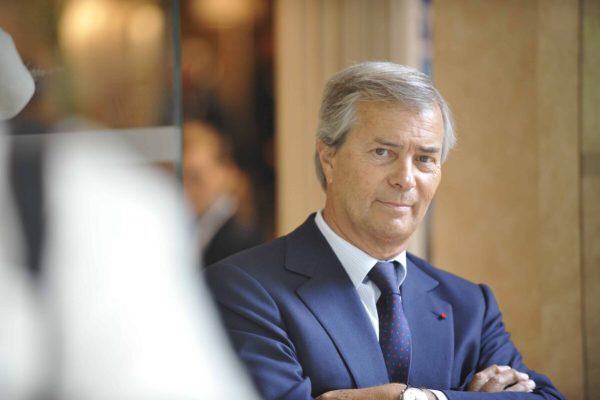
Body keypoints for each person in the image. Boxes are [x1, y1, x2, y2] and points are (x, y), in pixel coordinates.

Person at [205, 62, 564, 400]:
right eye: (382, 152)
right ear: (328, 156)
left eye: (425, 159)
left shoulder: (470, 305)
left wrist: (419, 398)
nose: (405, 178)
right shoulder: (241, 290)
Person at [183, 120, 264, 267]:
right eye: (180, 177)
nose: (185, 189)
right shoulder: (199, 227)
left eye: (195, 177)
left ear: (225, 171)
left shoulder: (237, 240)